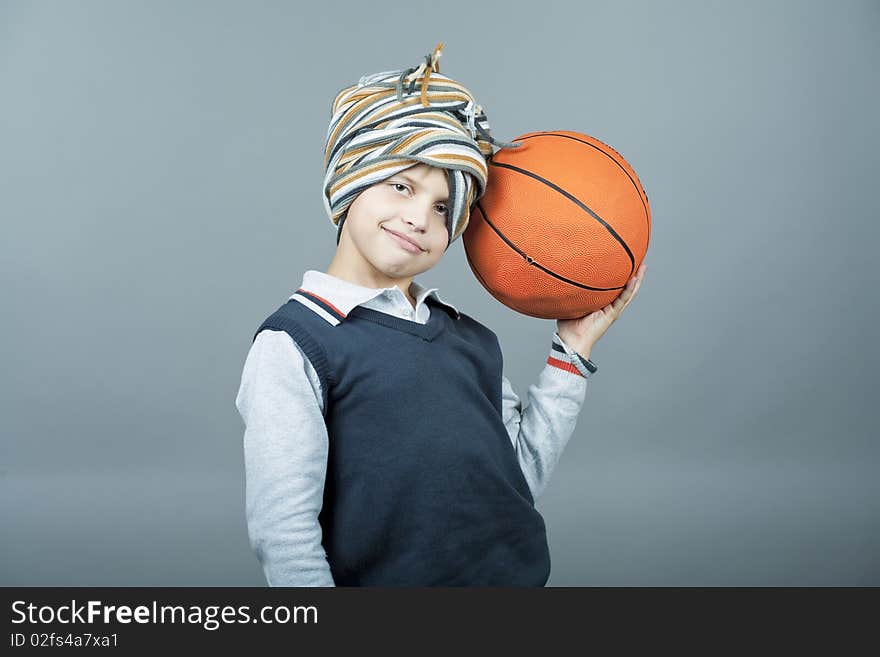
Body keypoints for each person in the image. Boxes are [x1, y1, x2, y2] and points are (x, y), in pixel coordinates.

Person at [234, 43, 646, 586]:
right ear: (349, 183)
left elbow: (514, 478)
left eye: (442, 206)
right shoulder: (296, 344)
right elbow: (284, 534)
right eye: (401, 186)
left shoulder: (470, 340)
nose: (418, 218)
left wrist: (572, 352)